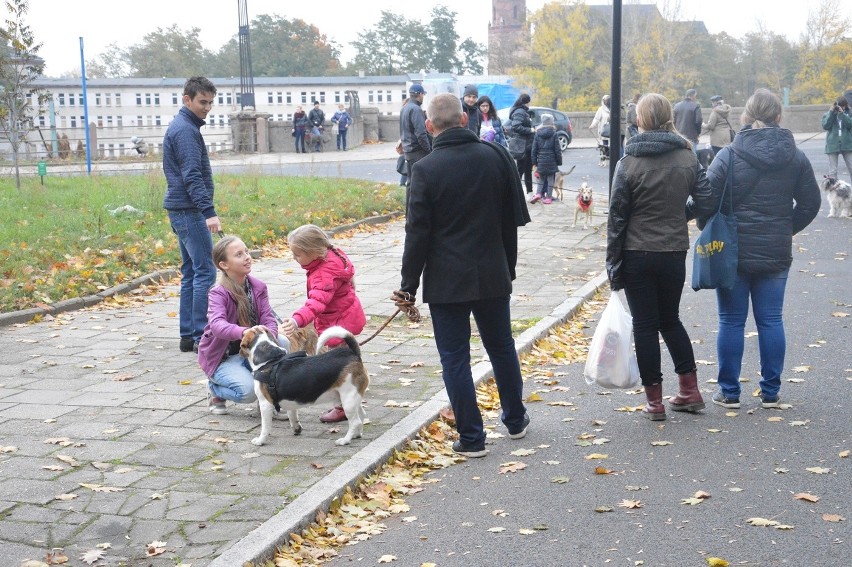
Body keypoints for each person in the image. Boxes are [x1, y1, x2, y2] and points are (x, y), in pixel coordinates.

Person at [398, 92, 532, 457]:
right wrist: (509, 267)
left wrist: (407, 287)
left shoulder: (424, 169)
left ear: (429, 126)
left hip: (445, 281)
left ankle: (472, 438)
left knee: (454, 357)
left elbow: (417, 234)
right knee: (502, 347)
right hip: (492, 271)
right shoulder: (497, 157)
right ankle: (516, 419)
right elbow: (513, 221)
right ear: (463, 119)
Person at [702, 88, 821, 410]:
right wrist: (786, 228)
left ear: (745, 116)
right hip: (775, 249)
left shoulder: (728, 155)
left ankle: (729, 392)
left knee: (731, 321)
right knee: (770, 320)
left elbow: (706, 199)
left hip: (732, 250)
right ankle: (771, 392)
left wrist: (706, 227)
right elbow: (811, 203)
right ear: (778, 117)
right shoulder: (795, 156)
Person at [606, 93, 718, 421]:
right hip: (673, 250)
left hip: (637, 252)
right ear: (669, 116)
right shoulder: (687, 157)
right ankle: (689, 390)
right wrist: (681, 216)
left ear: (641, 120)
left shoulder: (628, 162)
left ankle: (654, 401)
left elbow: (617, 217)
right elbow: (706, 202)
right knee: (670, 319)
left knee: (645, 324)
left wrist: (612, 263)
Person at [278, 224, 366, 423]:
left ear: (313, 252)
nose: (294, 258)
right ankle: (352, 393)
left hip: (338, 321)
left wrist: (296, 320)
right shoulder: (332, 254)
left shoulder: (323, 273)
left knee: (338, 366)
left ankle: (344, 405)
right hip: (346, 313)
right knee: (348, 359)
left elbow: (316, 302)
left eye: (297, 254)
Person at [198, 235, 290, 415]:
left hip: (250, 349)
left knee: (282, 342)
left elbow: (268, 317)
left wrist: (270, 336)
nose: (247, 257)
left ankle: (268, 401)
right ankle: (214, 389)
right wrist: (245, 332)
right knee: (247, 392)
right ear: (224, 265)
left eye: (246, 251)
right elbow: (217, 325)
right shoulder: (218, 293)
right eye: (239, 254)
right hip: (222, 357)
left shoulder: (258, 287)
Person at [163, 76, 220, 354]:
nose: (207, 108)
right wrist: (208, 211)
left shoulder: (185, 126)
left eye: (210, 102)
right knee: (205, 271)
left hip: (181, 209)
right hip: (189, 210)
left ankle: (188, 335)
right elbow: (191, 175)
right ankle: (201, 335)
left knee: (190, 272)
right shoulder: (185, 130)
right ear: (187, 100)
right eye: (202, 102)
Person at [399, 83, 432, 209]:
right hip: (417, 151)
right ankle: (418, 211)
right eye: (423, 94)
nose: (423, 97)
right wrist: (429, 151)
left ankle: (409, 212)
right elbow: (421, 133)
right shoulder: (416, 109)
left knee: (410, 183)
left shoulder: (405, 108)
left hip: (408, 150)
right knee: (420, 183)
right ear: (419, 94)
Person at [530, 113, 562, 205]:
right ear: (551, 122)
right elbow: (557, 149)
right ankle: (548, 197)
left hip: (541, 160)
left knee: (541, 178)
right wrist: (559, 161)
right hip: (552, 160)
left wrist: (534, 162)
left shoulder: (538, 134)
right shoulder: (554, 134)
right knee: (550, 179)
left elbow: (534, 149)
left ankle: (538, 193)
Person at [821, 95, 852, 185]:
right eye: (839, 106)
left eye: (843, 106)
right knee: (833, 171)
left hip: (847, 144)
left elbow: (850, 125)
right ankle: (835, 191)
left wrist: (842, 114)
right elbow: (825, 126)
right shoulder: (829, 114)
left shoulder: (849, 113)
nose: (840, 108)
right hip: (833, 145)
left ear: (846, 105)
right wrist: (831, 113)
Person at [509, 93, 536, 194]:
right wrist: (531, 130)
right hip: (522, 146)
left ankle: (529, 192)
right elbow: (516, 126)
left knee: (526, 170)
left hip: (525, 146)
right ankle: (515, 192)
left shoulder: (521, 111)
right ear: (527, 102)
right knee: (520, 170)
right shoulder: (520, 112)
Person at [673, 89, 702, 154]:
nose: (696, 98)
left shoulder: (676, 106)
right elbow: (698, 120)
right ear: (692, 96)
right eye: (695, 96)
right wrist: (698, 132)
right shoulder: (696, 106)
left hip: (679, 135)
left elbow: (673, 121)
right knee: (692, 156)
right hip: (691, 136)